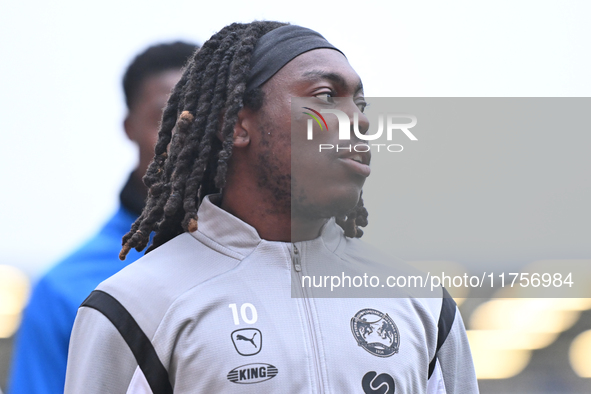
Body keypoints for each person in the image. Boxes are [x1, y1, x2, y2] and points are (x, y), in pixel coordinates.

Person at [65, 22, 479, 393]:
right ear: (237, 124)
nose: (360, 120)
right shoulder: (135, 308)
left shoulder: (421, 303)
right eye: (326, 96)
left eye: (361, 104)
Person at [8, 41, 198, 394]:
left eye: (200, 116)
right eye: (164, 117)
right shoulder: (64, 288)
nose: (184, 135)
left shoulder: (275, 258)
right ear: (129, 127)